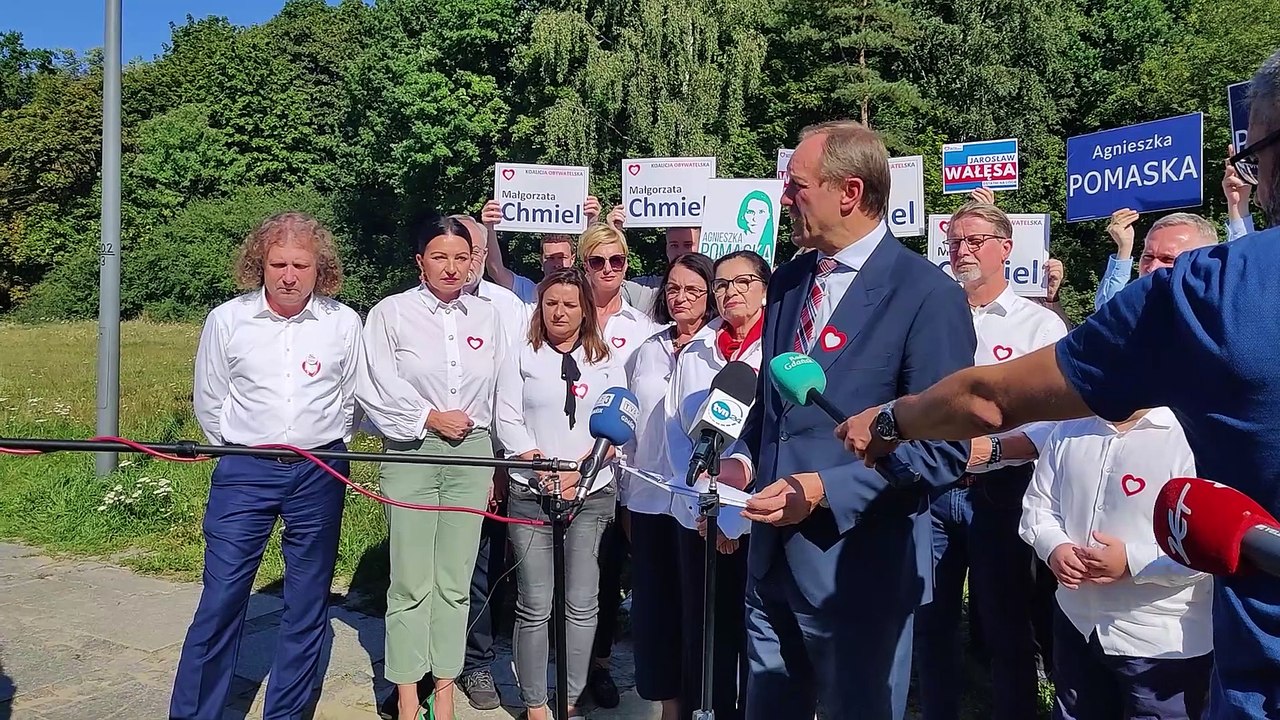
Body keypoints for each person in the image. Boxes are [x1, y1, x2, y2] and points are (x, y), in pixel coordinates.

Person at [837, 47, 1280, 719]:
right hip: (1067, 595)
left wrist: (893, 421)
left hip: (1219, 663)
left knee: (1009, 628)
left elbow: (993, 400)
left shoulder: (1217, 294)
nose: (1257, 174)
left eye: (1258, 152)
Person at [728, 120, 975, 719]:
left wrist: (821, 491)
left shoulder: (926, 295)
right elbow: (773, 405)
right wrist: (741, 458)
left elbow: (943, 451)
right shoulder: (788, 281)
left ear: (850, 192)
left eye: (797, 186)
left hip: (860, 570)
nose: (784, 199)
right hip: (771, 562)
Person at [174, 212, 362, 720]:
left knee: (307, 603)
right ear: (260, 264)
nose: (288, 275)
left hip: (319, 470)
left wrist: (317, 441)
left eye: (300, 264)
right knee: (222, 598)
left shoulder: (343, 322)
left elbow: (348, 402)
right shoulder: (227, 319)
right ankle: (196, 713)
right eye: (278, 263)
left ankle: (287, 712)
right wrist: (241, 447)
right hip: (245, 469)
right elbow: (210, 400)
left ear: (319, 268)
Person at [915, 201, 1069, 720]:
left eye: (974, 240)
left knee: (1006, 623)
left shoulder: (1038, 326)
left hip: (1002, 492)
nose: (961, 251)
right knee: (930, 620)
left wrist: (997, 448)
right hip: (933, 491)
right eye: (954, 241)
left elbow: (1056, 422)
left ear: (1006, 247)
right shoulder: (930, 318)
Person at [356, 216, 507, 720]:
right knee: (410, 581)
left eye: (461, 258)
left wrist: (503, 460)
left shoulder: (488, 316)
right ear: (420, 261)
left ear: (474, 262)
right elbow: (376, 384)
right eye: (440, 257)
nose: (451, 267)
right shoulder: (391, 314)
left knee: (454, 581)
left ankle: (444, 691)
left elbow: (504, 391)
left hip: (473, 453)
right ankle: (405, 694)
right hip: (412, 449)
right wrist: (428, 416)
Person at [1019, 408, 1213, 719]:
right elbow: (1038, 506)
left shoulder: (1194, 437)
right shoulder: (1070, 429)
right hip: (1077, 622)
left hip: (1158, 643)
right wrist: (1054, 546)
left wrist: (1132, 562)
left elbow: (1208, 546)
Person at [495, 267, 624, 720]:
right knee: (534, 602)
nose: (560, 312)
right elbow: (507, 415)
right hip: (532, 491)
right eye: (551, 303)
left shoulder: (605, 358)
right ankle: (535, 704)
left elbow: (617, 421)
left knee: (582, 602)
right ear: (540, 307)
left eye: (570, 304)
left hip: (592, 493)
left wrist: (581, 473)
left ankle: (569, 698)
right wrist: (535, 463)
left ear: (585, 309)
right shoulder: (521, 355)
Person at [666, 250, 770, 720]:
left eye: (742, 282)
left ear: (765, 287)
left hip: (761, 516)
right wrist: (706, 515)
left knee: (757, 637)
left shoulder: (784, 348)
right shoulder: (697, 351)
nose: (731, 292)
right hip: (702, 520)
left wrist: (735, 520)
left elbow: (777, 439)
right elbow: (679, 438)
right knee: (706, 638)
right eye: (723, 284)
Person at [622, 252, 717, 720]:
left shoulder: (718, 348)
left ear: (711, 295)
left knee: (695, 611)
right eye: (673, 289)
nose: (681, 299)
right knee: (655, 610)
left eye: (693, 290)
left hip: (697, 503)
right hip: (646, 495)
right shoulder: (647, 347)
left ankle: (702, 705)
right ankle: (668, 707)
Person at [578, 222, 663, 706]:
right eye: (597, 261)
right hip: (574, 462)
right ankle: (571, 664)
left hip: (628, 468)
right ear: (583, 264)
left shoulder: (642, 326)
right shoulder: (563, 312)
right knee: (582, 572)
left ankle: (602, 664)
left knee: (614, 572)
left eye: (617, 261)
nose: (608, 270)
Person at [1092, 210, 1219, 309]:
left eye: (1168, 259)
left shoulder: (1214, 310)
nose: (1152, 267)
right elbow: (1109, 314)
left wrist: (1236, 207)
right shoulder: (1140, 307)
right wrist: (1124, 248)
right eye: (1148, 257)